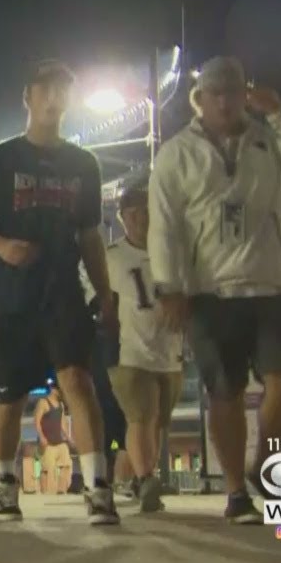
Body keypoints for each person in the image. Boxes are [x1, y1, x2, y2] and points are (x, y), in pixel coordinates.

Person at [149, 56, 281, 525]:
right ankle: (236, 493)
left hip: (270, 282)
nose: (226, 101)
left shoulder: (267, 136)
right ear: (201, 98)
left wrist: (280, 112)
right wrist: (169, 287)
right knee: (224, 393)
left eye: (234, 91)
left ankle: (264, 463)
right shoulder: (175, 153)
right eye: (217, 93)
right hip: (210, 292)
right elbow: (164, 226)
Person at [0, 59, 120, 524]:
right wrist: (0, 246)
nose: (55, 99)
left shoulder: (83, 164)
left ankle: (98, 487)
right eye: (46, 90)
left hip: (63, 291)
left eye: (62, 92)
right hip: (12, 296)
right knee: (10, 395)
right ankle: (6, 484)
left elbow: (90, 235)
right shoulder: (2, 158)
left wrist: (106, 293)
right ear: (28, 98)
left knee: (79, 381)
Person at [105, 183, 184, 513]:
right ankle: (146, 476)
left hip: (169, 351)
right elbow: (93, 299)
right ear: (122, 218)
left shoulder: (172, 250)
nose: (140, 219)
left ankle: (143, 478)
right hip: (130, 352)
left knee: (158, 421)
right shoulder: (112, 257)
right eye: (133, 213)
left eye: (146, 212)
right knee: (141, 415)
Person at [33, 386, 72, 495]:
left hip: (60, 441)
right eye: (60, 390)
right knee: (47, 469)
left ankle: (61, 490)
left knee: (66, 465)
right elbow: (36, 421)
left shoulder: (61, 405)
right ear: (54, 389)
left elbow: (62, 422)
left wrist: (68, 438)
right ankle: (45, 492)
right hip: (48, 443)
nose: (62, 392)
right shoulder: (43, 402)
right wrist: (41, 437)